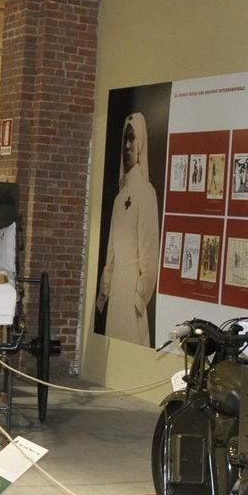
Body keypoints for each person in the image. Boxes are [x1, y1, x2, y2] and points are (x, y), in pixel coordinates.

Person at [97, 113, 161, 345]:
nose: (127, 146)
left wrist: (140, 296)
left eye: (132, 138)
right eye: (125, 139)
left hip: (133, 286)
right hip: (117, 289)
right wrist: (105, 290)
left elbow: (149, 251)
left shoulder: (146, 192)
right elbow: (111, 252)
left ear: (141, 142)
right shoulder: (119, 198)